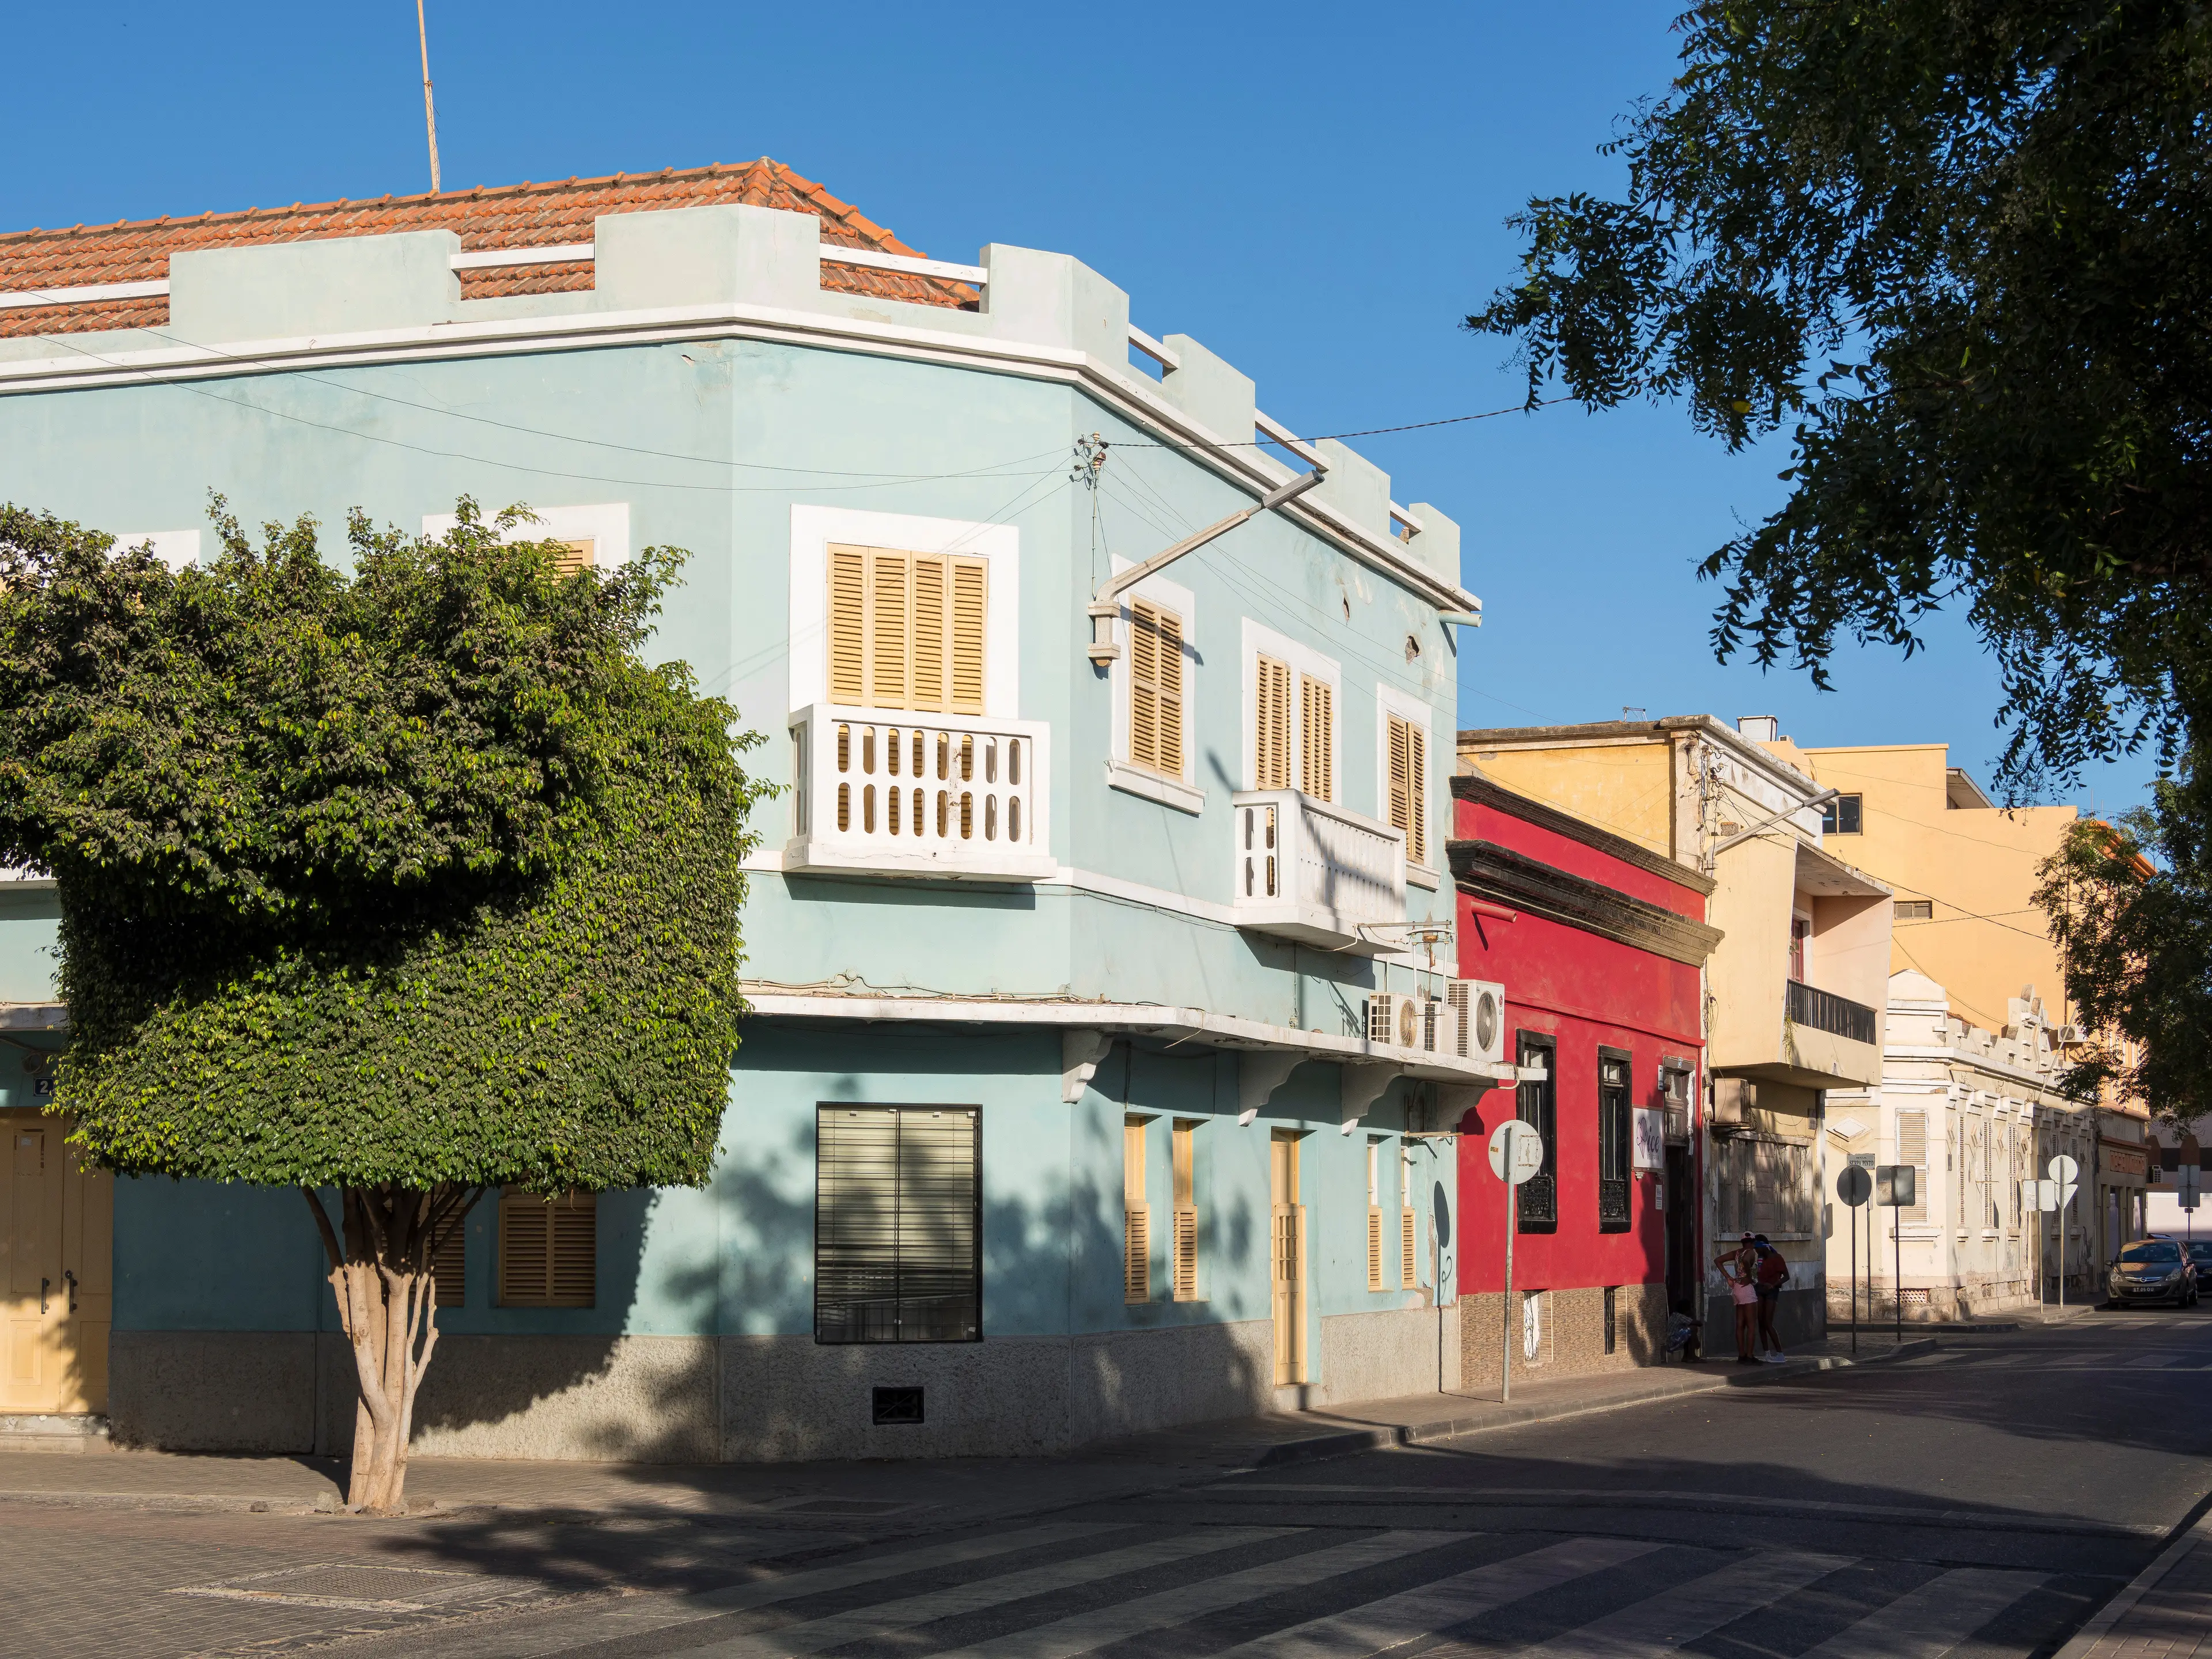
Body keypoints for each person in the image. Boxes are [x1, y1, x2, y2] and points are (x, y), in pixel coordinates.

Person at [1714, 1233, 1759, 1363]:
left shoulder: (1737, 1252)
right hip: (1747, 1287)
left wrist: (1728, 1277)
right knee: (1751, 1325)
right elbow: (1746, 1261)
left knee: (1740, 1324)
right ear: (1752, 1242)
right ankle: (1750, 1356)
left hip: (1736, 1288)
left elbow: (1718, 1260)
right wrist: (1750, 1277)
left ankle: (1741, 1355)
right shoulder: (1751, 1252)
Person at [1752, 1233, 1790, 1362]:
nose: (1755, 1250)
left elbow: (1786, 1276)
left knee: (1768, 1323)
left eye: (1757, 1247)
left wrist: (1773, 1285)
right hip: (1760, 1290)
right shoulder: (1760, 1259)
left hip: (1772, 1291)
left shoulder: (1777, 1258)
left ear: (1763, 1246)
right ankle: (1767, 1354)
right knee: (1761, 1323)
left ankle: (1780, 1353)